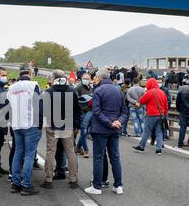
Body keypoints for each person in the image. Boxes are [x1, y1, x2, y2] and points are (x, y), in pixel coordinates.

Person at [84, 68, 127, 196]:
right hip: (115, 129)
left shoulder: (98, 91)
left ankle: (97, 186)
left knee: (98, 157)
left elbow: (96, 112)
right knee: (115, 157)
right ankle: (118, 185)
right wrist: (118, 121)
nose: (94, 79)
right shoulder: (118, 91)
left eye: (96, 77)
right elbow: (124, 112)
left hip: (100, 129)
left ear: (100, 78)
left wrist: (109, 123)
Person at [41, 70, 81, 190]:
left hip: (53, 125)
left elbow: (45, 110)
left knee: (50, 152)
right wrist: (76, 125)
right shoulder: (72, 91)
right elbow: (77, 110)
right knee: (70, 152)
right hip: (68, 125)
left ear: (54, 78)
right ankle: (74, 179)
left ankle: (48, 179)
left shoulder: (48, 92)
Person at [7, 67, 43, 196]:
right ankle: (26, 185)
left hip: (16, 124)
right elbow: (38, 105)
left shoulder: (11, 88)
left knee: (18, 153)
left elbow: (9, 107)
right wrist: (39, 124)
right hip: (30, 123)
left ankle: (15, 183)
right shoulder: (33, 85)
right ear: (30, 74)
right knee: (29, 155)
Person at [132, 78, 168, 155]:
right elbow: (166, 105)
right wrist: (164, 114)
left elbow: (142, 101)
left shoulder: (149, 92)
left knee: (147, 131)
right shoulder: (162, 92)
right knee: (159, 132)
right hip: (161, 115)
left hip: (152, 114)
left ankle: (141, 146)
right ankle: (159, 149)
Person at [175, 74, 189, 148]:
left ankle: (180, 143)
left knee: (182, 128)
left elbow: (177, 101)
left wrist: (179, 109)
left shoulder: (181, 88)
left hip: (183, 111)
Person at [75, 73, 93, 157]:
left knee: (86, 131)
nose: (86, 80)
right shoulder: (78, 88)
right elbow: (75, 100)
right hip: (81, 112)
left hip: (90, 111)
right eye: (84, 78)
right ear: (81, 78)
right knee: (84, 129)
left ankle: (78, 147)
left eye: (87, 78)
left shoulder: (91, 88)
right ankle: (86, 150)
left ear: (90, 79)